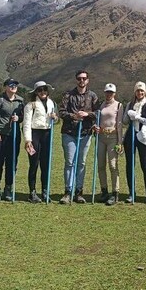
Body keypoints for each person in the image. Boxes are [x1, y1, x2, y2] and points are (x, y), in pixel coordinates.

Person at [58, 70, 99, 204]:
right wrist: (74, 116)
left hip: (85, 134)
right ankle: (67, 192)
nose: (82, 81)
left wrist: (87, 115)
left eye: (84, 78)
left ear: (88, 80)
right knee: (70, 162)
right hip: (69, 133)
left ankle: (79, 191)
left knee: (81, 163)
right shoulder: (68, 95)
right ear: (76, 80)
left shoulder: (93, 96)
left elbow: (98, 113)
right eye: (79, 78)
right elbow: (62, 112)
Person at [0, 78, 24, 202]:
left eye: (15, 85)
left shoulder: (20, 101)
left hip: (14, 135)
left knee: (12, 163)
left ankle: (8, 188)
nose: (13, 87)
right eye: (11, 85)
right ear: (5, 87)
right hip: (0, 135)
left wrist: (18, 118)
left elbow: (23, 117)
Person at [23, 81, 58, 203]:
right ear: (36, 92)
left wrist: (55, 118)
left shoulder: (51, 103)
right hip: (35, 134)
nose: (43, 92)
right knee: (34, 164)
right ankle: (32, 192)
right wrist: (28, 140)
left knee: (45, 164)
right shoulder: (30, 105)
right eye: (40, 90)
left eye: (44, 89)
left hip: (47, 134)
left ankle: (45, 191)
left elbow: (56, 120)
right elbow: (26, 124)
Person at [123, 81, 146, 205]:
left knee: (145, 164)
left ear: (145, 92)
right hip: (130, 136)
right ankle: (132, 193)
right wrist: (128, 113)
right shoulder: (130, 104)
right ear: (135, 92)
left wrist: (138, 117)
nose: (140, 92)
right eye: (138, 90)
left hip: (143, 136)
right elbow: (125, 121)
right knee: (130, 164)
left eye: (142, 90)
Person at [94, 83, 124, 206]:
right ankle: (104, 191)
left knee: (113, 165)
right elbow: (98, 120)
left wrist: (120, 142)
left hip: (113, 138)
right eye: (107, 92)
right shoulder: (101, 105)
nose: (108, 94)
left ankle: (115, 193)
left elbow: (120, 124)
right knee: (101, 165)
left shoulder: (119, 105)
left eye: (111, 93)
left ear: (114, 94)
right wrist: (96, 128)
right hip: (101, 137)